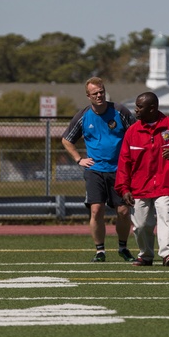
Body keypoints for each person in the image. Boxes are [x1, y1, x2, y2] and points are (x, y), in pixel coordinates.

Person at [115, 91, 169, 267]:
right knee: (141, 224)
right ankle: (146, 255)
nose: (136, 110)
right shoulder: (132, 132)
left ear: (152, 108)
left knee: (165, 214)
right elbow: (124, 162)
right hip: (139, 186)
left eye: (139, 106)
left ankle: (168, 254)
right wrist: (124, 188)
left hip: (165, 183)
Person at [61, 77, 136, 262]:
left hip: (120, 170)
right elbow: (66, 139)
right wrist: (79, 159)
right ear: (88, 96)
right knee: (96, 210)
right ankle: (100, 251)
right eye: (95, 93)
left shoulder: (120, 111)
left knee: (124, 211)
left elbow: (136, 133)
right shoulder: (83, 116)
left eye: (101, 91)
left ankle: (123, 247)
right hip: (95, 170)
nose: (99, 95)